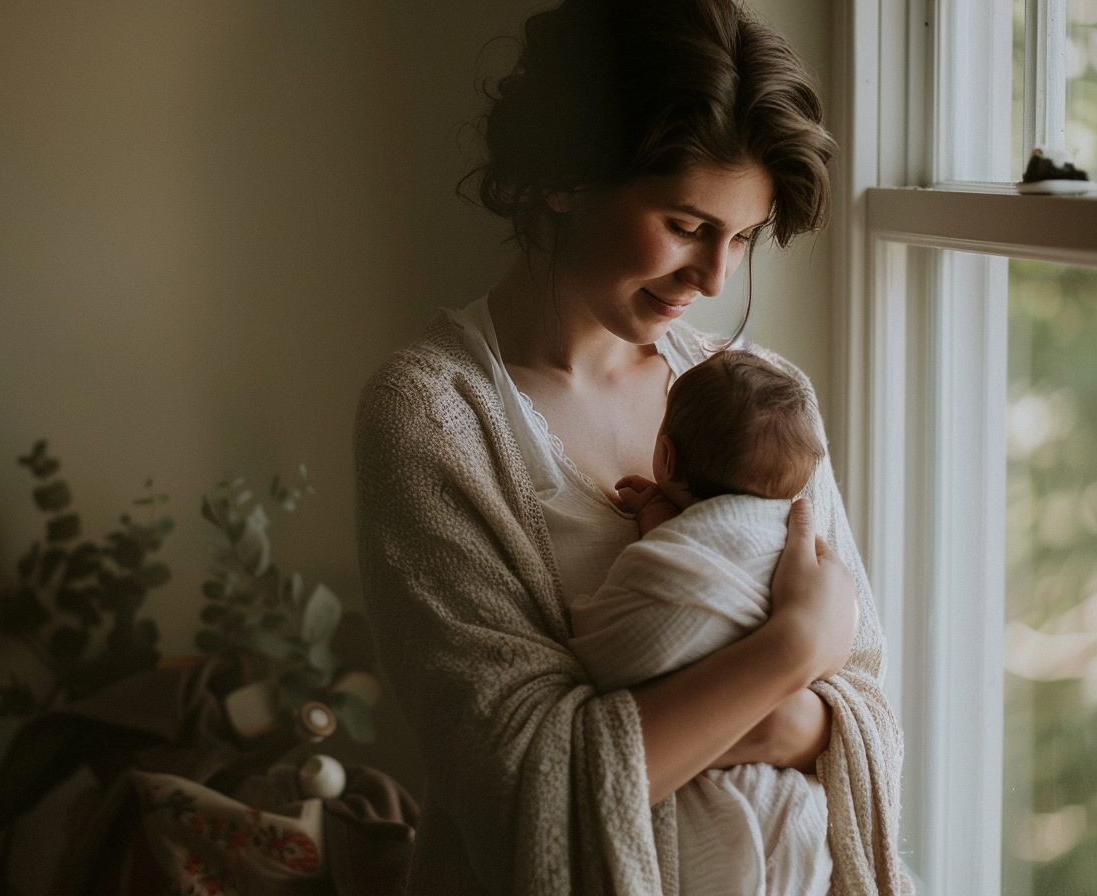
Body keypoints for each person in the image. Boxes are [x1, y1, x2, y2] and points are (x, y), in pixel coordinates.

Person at [353, 0, 910, 893]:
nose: (716, 277)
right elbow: (520, 781)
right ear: (564, 176)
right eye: (688, 225)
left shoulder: (758, 397)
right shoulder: (432, 415)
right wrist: (790, 654)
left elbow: (869, 709)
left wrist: (753, 714)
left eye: (744, 237)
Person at [568, 349, 834, 896]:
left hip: (698, 812)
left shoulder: (677, 553)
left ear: (664, 457)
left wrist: (654, 523)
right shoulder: (795, 539)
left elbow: (615, 650)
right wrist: (799, 646)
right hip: (794, 807)